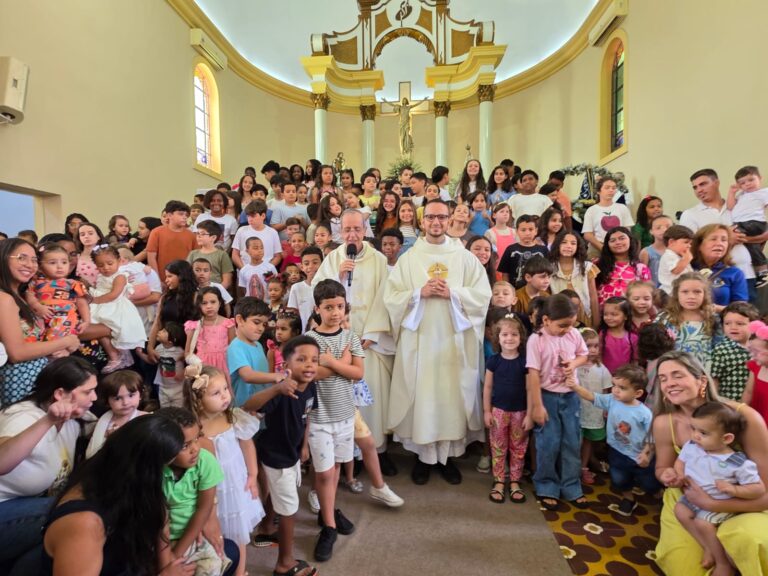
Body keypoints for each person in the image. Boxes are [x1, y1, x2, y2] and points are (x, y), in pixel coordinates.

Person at [385, 199, 492, 485]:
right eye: (430, 217)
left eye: (441, 217)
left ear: (450, 220)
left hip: (453, 341)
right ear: (422, 221)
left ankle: (446, 458)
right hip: (419, 340)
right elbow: (391, 297)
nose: (435, 222)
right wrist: (419, 293)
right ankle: (423, 458)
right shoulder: (409, 259)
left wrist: (453, 294)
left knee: (449, 397)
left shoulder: (464, 257)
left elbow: (482, 296)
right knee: (423, 396)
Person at [40, 414, 217, 576]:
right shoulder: (84, 523)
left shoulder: (111, 475)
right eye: (166, 464)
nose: (196, 450)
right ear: (149, 470)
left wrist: (170, 557)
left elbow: (161, 519)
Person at [652, 351, 768, 576]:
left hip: (745, 501)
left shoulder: (745, 417)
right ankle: (712, 551)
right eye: (663, 378)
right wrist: (667, 475)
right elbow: (661, 468)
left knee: (753, 543)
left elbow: (766, 490)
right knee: (685, 568)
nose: (670, 384)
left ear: (701, 380)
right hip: (687, 500)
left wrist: (714, 504)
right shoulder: (664, 423)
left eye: (677, 375)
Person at [313, 210, 396, 470]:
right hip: (339, 343)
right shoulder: (333, 258)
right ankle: (350, 457)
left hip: (369, 341)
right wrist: (336, 276)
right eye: (347, 230)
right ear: (340, 232)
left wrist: (370, 335)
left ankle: (378, 452)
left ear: (365, 230)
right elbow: (317, 292)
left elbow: (387, 298)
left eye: (357, 229)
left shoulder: (379, 260)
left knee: (373, 400)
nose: (352, 234)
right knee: (344, 399)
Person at [0, 357, 98, 575]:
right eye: (87, 391)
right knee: (72, 513)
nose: (94, 397)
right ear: (60, 394)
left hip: (23, 508)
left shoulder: (76, 419)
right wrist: (48, 421)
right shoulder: (23, 417)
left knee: (50, 545)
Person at [244, 335, 319, 576]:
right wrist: (277, 387)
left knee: (282, 495)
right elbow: (250, 406)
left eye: (314, 360)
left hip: (293, 452)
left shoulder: (312, 387)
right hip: (277, 455)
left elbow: (307, 417)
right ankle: (284, 563)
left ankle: (266, 528)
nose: (309, 365)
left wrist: (304, 445)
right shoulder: (281, 391)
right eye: (302, 359)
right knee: (289, 510)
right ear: (286, 366)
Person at [304, 279, 364, 561]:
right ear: (318, 309)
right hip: (319, 416)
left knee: (336, 468)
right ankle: (328, 525)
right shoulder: (310, 340)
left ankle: (328, 512)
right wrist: (341, 364)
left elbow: (359, 373)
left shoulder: (350, 337)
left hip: (344, 415)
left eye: (340, 306)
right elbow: (309, 374)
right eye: (329, 307)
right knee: (325, 472)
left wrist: (331, 363)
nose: (336, 312)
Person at [185, 365, 264, 576]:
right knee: (215, 534)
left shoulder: (232, 416)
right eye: (216, 393)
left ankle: (240, 571)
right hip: (212, 489)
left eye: (225, 389)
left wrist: (253, 475)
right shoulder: (194, 429)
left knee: (238, 533)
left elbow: (247, 445)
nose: (225, 396)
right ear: (198, 400)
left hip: (236, 483)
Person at [670, 402, 764, 576]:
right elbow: (680, 462)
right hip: (691, 498)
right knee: (680, 511)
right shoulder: (692, 446)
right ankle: (708, 547)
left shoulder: (737, 463)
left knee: (702, 523)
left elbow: (758, 489)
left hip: (720, 502)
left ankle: (723, 564)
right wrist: (678, 475)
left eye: (703, 433)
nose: (696, 436)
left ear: (726, 438)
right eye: (694, 429)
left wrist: (734, 490)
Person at [568, 364, 660, 516]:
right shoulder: (612, 400)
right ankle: (629, 499)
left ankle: (660, 496)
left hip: (638, 455)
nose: (615, 390)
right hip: (617, 451)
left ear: (637, 393)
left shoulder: (644, 413)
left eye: (622, 388)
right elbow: (592, 396)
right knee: (619, 479)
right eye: (614, 385)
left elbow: (652, 435)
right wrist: (575, 386)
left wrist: (647, 454)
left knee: (650, 482)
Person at [526, 294, 589, 511]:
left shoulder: (572, 334)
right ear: (545, 321)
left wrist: (574, 363)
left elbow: (584, 355)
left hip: (571, 396)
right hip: (547, 396)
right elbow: (533, 374)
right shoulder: (537, 339)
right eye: (562, 325)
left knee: (572, 442)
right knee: (548, 443)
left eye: (571, 325)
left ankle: (571, 485)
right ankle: (546, 485)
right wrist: (537, 405)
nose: (567, 329)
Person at [156, 407, 233, 576]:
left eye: (197, 438)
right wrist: (168, 558)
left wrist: (177, 554)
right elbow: (159, 522)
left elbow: (204, 509)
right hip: (160, 538)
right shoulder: (155, 471)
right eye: (185, 445)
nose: (195, 449)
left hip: (194, 533)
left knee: (211, 566)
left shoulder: (205, 462)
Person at [680, 168, 761, 300]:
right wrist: (729, 239)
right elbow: (689, 247)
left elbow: (762, 233)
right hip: (713, 277)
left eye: (703, 184)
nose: (699, 190)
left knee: (745, 317)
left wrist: (741, 237)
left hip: (747, 274)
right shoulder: (690, 215)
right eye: (695, 187)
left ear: (717, 183)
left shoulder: (737, 206)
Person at [483, 314, 529, 504]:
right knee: (498, 446)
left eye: (514, 335)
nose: (509, 338)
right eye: (505, 335)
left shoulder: (525, 362)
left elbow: (529, 388)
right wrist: (487, 411)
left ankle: (515, 481)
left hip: (521, 412)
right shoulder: (493, 361)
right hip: (499, 412)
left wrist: (531, 414)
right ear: (498, 338)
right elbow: (487, 387)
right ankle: (499, 480)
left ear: (521, 338)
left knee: (518, 448)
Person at [89, 245, 147, 372]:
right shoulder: (100, 277)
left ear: (119, 261)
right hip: (101, 304)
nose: (106, 268)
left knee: (117, 332)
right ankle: (114, 355)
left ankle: (120, 356)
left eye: (110, 263)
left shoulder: (120, 276)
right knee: (97, 328)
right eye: (100, 265)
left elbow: (114, 294)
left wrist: (94, 300)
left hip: (114, 306)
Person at [227, 297, 287, 408]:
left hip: (261, 406)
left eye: (264, 324)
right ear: (240, 320)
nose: (261, 328)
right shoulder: (235, 347)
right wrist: (276, 376)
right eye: (256, 322)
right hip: (244, 410)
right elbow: (247, 375)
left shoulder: (258, 345)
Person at [656, 272, 721, 370]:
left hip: (702, 373)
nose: (691, 296)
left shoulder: (712, 319)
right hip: (671, 372)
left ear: (705, 294)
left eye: (697, 292)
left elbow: (718, 349)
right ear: (677, 294)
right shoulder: (664, 319)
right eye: (685, 292)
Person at [576, 328, 612, 485]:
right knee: (574, 440)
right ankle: (571, 467)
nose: (592, 350)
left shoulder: (602, 370)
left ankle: (583, 467)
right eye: (588, 346)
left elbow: (605, 392)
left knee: (588, 441)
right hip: (576, 410)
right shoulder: (575, 366)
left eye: (596, 346)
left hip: (593, 412)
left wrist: (605, 410)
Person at [85, 369, 145, 458]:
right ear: (107, 400)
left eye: (131, 395)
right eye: (117, 398)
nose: (126, 402)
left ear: (140, 394)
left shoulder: (145, 419)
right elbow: (93, 448)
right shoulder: (104, 419)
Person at [726, 165, 768, 287]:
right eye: (742, 183)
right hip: (742, 224)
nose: (748, 184)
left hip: (754, 223)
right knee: (751, 245)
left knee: (730, 234)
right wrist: (732, 192)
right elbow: (730, 206)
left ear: (760, 178)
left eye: (751, 180)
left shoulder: (764, 192)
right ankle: (763, 272)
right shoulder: (741, 195)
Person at [690, 223, 748, 309]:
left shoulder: (734, 273)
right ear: (699, 245)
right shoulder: (687, 268)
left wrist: (716, 309)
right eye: (713, 239)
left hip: (721, 320)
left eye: (724, 240)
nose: (719, 243)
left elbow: (741, 308)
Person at [549, 231, 599, 327]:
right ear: (557, 245)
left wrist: (596, 323)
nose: (568, 246)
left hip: (584, 315)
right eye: (564, 242)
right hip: (558, 316)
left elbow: (593, 297)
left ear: (578, 247)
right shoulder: (549, 269)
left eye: (573, 243)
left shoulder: (587, 267)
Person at [710, 302, 757, 401]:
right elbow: (714, 380)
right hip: (731, 403)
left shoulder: (760, 348)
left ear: (754, 325)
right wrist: (713, 402)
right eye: (727, 323)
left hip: (758, 401)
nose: (733, 327)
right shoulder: (721, 350)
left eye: (740, 324)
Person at [595, 226, 651, 307]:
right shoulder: (597, 264)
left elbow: (647, 294)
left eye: (622, 238)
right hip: (605, 315)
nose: (618, 242)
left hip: (631, 314)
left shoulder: (641, 268)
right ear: (607, 245)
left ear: (630, 241)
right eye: (612, 240)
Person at [184, 287, 235, 375]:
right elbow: (187, 352)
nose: (209, 306)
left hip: (224, 367)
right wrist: (198, 363)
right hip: (202, 367)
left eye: (213, 302)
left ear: (220, 303)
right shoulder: (194, 326)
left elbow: (234, 349)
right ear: (199, 305)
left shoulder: (228, 324)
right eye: (204, 303)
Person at [581, 177, 635, 257]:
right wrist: (602, 248)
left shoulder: (622, 208)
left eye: (613, 188)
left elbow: (627, 230)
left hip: (619, 246)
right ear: (599, 191)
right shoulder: (592, 210)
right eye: (607, 188)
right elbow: (587, 234)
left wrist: (620, 244)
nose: (611, 190)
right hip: (598, 247)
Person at [147, 201, 197, 283]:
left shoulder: (191, 235)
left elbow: (195, 259)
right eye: (181, 214)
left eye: (186, 215)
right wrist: (157, 280)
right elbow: (151, 257)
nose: (185, 217)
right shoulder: (157, 232)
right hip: (162, 279)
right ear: (169, 215)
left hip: (184, 280)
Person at [498, 214, 548, 288]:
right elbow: (505, 274)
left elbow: (548, 273)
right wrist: (508, 289)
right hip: (516, 291)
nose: (527, 233)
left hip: (538, 292)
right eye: (523, 230)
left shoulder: (543, 250)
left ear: (536, 231)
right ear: (517, 231)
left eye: (531, 229)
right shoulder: (511, 249)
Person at [232, 200, 282, 270]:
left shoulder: (272, 232)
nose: (250, 219)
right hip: (245, 271)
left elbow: (277, 256)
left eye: (253, 216)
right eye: (248, 216)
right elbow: (235, 254)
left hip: (266, 273)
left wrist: (266, 269)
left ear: (263, 216)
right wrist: (244, 269)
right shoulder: (241, 230)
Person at [187, 220, 234, 290]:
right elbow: (186, 275)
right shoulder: (193, 254)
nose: (199, 236)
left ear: (213, 238)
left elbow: (227, 281)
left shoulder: (222, 255)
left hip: (215, 292)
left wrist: (216, 293)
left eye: (203, 234)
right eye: (198, 233)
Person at [287, 246, 323, 332]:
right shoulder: (296, 288)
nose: (310, 266)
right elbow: (292, 314)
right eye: (306, 263)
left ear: (322, 264)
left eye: (315, 262)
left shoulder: (328, 286)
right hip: (305, 335)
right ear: (301, 267)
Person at [743, 320, 768, 423]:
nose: (752, 355)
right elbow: (748, 392)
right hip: (756, 419)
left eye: (757, 352)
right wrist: (741, 411)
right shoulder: (754, 367)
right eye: (751, 351)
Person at [658, 225, 694, 295]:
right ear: (671, 242)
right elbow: (676, 270)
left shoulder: (680, 257)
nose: (689, 246)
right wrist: (687, 259)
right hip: (669, 293)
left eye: (690, 243)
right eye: (686, 242)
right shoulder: (669, 255)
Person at [640, 214, 673, 287]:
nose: (664, 230)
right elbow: (641, 276)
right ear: (651, 231)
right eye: (658, 228)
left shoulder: (677, 250)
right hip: (654, 293)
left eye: (668, 227)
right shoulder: (646, 252)